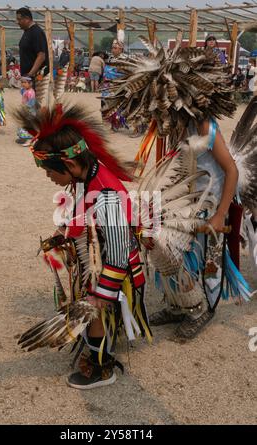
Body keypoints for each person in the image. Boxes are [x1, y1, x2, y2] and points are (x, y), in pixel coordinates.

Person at [102, 36, 253, 340]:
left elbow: (231, 170)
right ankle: (177, 304)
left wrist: (220, 215)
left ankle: (201, 309)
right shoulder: (176, 125)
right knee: (163, 248)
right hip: (186, 198)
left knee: (201, 260)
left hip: (211, 200)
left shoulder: (205, 127)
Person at [14, 101, 152, 389]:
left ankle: (102, 368)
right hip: (99, 254)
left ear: (70, 164)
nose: (49, 177)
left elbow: (117, 257)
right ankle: (98, 341)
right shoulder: (89, 172)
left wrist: (99, 296)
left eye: (50, 171)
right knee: (91, 303)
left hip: (116, 265)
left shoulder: (107, 197)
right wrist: (67, 232)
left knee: (94, 309)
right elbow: (83, 209)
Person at [16, 8, 49, 80]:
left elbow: (41, 56)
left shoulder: (36, 32)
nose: (17, 22)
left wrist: (30, 74)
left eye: (19, 19)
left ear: (27, 18)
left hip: (36, 78)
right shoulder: (27, 31)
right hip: (27, 78)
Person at [16, 76, 36, 145]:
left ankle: (28, 140)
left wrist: (26, 109)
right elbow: (21, 92)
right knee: (22, 124)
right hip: (25, 110)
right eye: (22, 82)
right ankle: (22, 138)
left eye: (25, 82)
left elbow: (31, 103)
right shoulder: (25, 90)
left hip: (29, 111)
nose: (23, 84)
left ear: (30, 83)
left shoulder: (31, 92)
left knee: (27, 125)